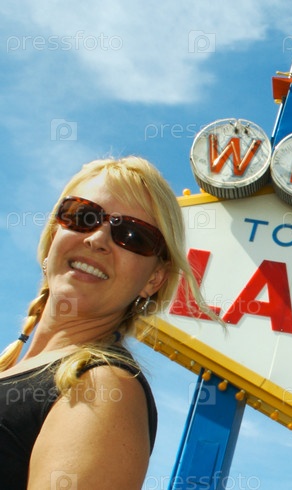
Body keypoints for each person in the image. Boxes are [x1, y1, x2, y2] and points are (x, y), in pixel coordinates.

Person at [0, 157, 205, 489]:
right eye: (83, 216)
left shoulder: (103, 388)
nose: (97, 239)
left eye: (133, 235)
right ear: (54, 234)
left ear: (153, 279)